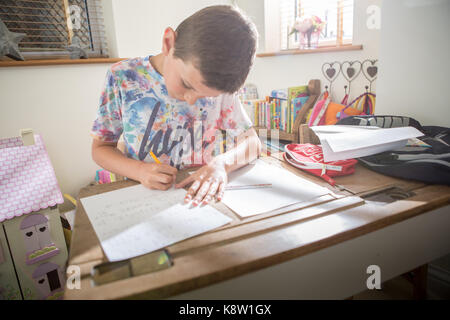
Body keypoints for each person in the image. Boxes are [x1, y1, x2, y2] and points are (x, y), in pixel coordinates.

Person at [91, 5, 261, 207]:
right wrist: (138, 170)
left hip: (200, 200)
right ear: (168, 42)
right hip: (145, 199)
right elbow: (100, 149)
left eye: (206, 96)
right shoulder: (123, 78)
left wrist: (222, 164)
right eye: (187, 85)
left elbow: (252, 143)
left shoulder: (222, 88)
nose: (190, 100)